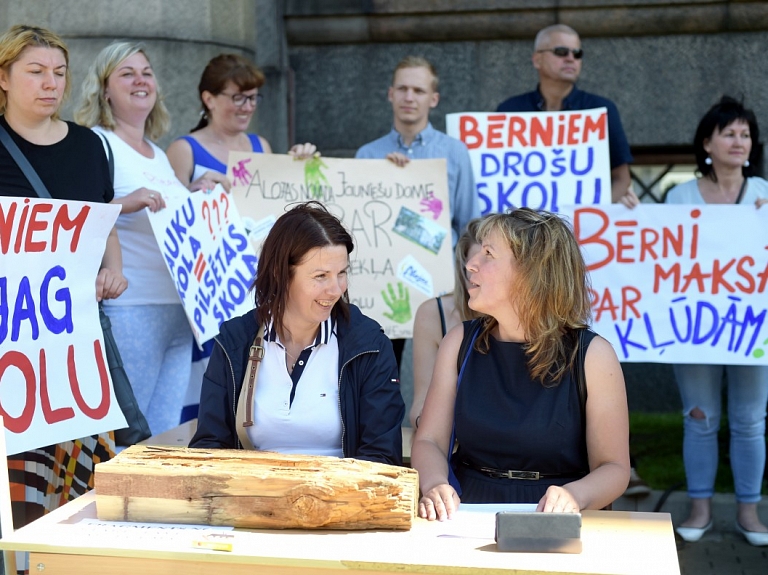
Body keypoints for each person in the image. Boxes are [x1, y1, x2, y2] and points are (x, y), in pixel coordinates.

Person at [411, 208, 630, 520]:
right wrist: (435, 484)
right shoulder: (459, 341)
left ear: (531, 271)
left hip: (556, 516)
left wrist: (574, 496)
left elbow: (614, 468)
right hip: (465, 510)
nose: (471, 264)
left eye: (488, 254)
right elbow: (429, 440)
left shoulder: (593, 355)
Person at [0, 23, 126, 531]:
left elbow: (102, 224)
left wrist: (113, 270)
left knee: (91, 458)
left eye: (58, 72)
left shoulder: (90, 146)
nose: (50, 83)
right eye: (35, 71)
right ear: (4, 77)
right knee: (21, 464)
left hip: (78, 333)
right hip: (15, 336)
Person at [190, 201, 404, 465]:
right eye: (321, 276)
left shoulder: (369, 344)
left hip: (340, 498)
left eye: (341, 273)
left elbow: (381, 455)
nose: (336, 289)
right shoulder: (235, 340)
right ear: (280, 274)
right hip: (253, 495)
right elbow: (210, 446)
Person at [166, 53, 316, 423]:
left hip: (256, 285)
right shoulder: (184, 150)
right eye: (238, 97)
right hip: (209, 291)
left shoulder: (261, 146)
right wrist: (192, 191)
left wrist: (299, 163)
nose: (247, 107)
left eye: (252, 98)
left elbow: (279, 210)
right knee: (207, 386)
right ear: (209, 98)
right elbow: (169, 222)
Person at [75, 42, 206, 438]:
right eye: (126, 73)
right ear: (105, 89)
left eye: (147, 72)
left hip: (179, 308)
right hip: (132, 306)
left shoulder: (157, 153)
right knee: (127, 435)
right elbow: (79, 213)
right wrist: (125, 203)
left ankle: (151, 502)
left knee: (163, 433)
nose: (140, 80)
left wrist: (196, 192)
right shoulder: (95, 143)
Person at [665, 96, 768, 546]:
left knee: (750, 420)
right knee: (699, 417)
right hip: (694, 328)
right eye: (729, 133)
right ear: (706, 142)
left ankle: (750, 512)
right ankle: (700, 507)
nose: (739, 141)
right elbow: (658, 259)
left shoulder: (765, 193)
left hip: (751, 327)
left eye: (745, 134)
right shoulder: (678, 196)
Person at [356, 55, 481, 371]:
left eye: (418, 90)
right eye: (402, 89)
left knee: (447, 367)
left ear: (433, 98)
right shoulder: (368, 155)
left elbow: (468, 224)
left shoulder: (454, 153)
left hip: (440, 280)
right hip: (382, 280)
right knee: (380, 369)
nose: (409, 97)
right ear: (390, 94)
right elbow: (359, 223)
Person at [496, 25, 637, 208]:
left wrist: (596, 215)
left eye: (577, 53)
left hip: (583, 229)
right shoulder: (510, 110)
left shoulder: (600, 109)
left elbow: (621, 178)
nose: (571, 59)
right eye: (561, 51)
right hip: (524, 231)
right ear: (537, 60)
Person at [410, 217, 483, 429]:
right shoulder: (434, 313)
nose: (482, 273)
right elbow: (421, 403)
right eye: (474, 265)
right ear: (463, 268)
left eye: (491, 261)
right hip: (453, 445)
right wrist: (430, 428)